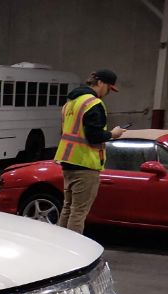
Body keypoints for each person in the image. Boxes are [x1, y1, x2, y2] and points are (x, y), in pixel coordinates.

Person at [55, 69, 126, 233]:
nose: (108, 93)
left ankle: (60, 245)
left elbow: (65, 131)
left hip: (68, 162)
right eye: (109, 88)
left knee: (68, 208)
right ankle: (74, 250)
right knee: (78, 212)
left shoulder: (70, 103)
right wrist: (112, 134)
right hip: (85, 164)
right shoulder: (93, 103)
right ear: (100, 83)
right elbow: (94, 136)